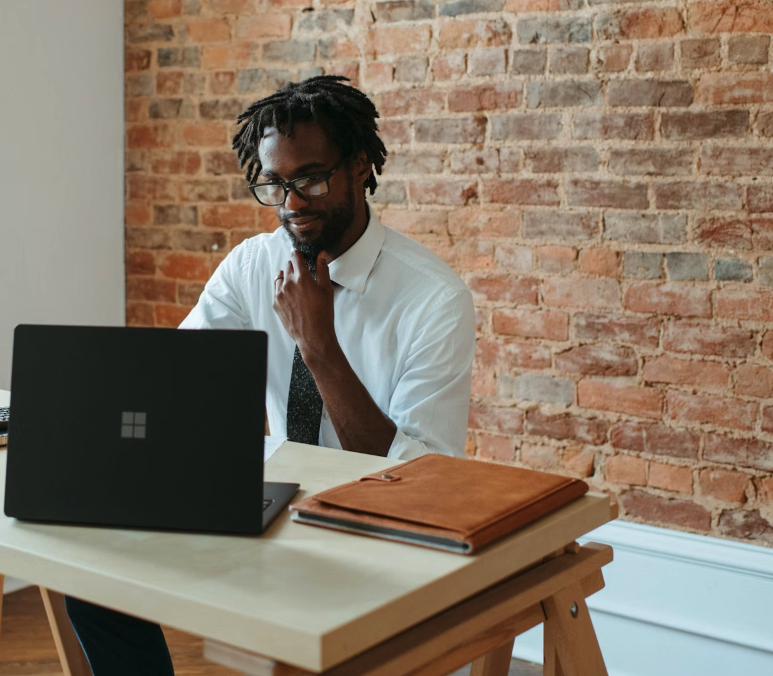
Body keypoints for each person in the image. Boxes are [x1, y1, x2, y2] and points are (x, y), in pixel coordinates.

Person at [65, 75, 476, 674]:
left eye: (309, 177)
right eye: (274, 183)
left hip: (373, 533)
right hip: (270, 507)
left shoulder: (433, 300)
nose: (291, 203)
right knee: (92, 572)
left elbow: (421, 482)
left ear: (361, 166)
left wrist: (318, 346)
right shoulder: (252, 267)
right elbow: (175, 382)